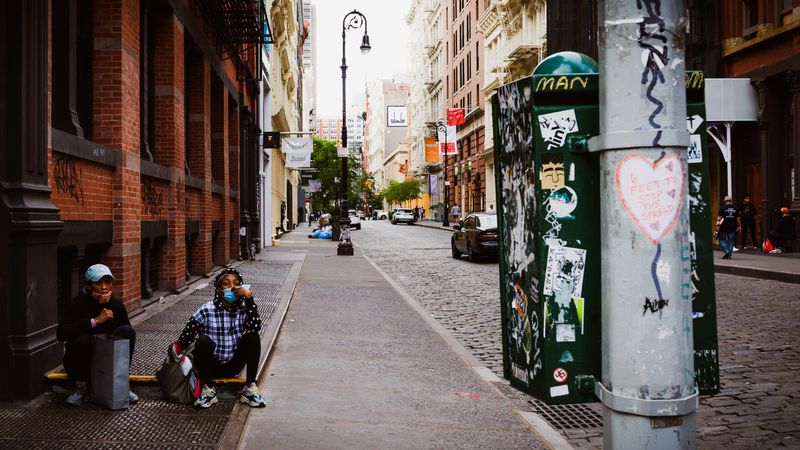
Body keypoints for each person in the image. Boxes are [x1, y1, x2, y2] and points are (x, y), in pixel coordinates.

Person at [174, 268, 266, 408]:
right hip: (210, 367)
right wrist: (177, 356)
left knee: (252, 337)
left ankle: (250, 388)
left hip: (234, 365)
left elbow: (255, 326)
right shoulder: (206, 309)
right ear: (218, 288)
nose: (232, 287)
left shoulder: (243, 308)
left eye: (236, 284)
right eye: (226, 283)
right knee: (202, 341)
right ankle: (208, 390)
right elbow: (186, 336)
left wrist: (248, 298)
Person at [56, 264, 138, 406]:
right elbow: (61, 333)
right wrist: (95, 321)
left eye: (107, 282)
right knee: (82, 340)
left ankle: (121, 384)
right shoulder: (78, 303)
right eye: (98, 282)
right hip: (82, 362)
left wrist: (108, 311)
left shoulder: (116, 306)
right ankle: (81, 386)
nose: (104, 287)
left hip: (107, 362)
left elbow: (124, 340)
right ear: (89, 285)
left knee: (127, 331)